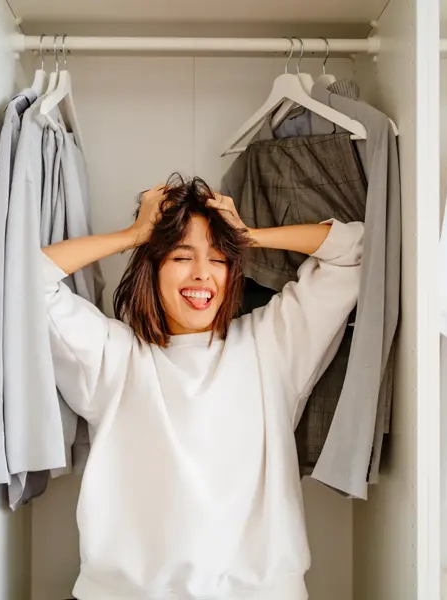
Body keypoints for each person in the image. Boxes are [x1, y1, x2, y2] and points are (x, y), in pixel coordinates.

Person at [41, 174, 365, 600]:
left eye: (218, 259)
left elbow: (354, 250)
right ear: (152, 266)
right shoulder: (115, 357)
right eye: (181, 256)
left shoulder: (273, 343)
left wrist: (249, 236)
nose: (201, 274)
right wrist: (134, 234)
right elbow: (28, 278)